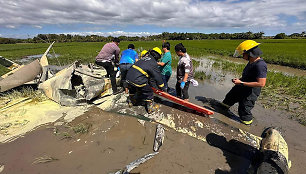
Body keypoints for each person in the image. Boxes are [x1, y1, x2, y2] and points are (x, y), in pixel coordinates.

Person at [222, 40, 267, 125]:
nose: (242, 56)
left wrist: (241, 83)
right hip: (242, 86)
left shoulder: (260, 65)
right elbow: (248, 76)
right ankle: (222, 110)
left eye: (243, 54)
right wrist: (239, 80)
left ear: (250, 53)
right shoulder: (251, 62)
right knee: (229, 98)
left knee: (244, 109)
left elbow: (261, 83)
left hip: (250, 92)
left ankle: (246, 125)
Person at [126, 47, 166, 113]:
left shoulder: (144, 58)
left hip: (128, 77)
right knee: (149, 91)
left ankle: (131, 102)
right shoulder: (153, 63)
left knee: (132, 88)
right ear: (157, 56)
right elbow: (157, 77)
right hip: (137, 79)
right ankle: (150, 108)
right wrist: (162, 87)